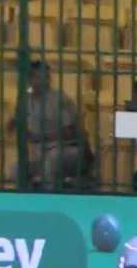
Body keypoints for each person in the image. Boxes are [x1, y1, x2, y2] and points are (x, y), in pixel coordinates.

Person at [8, 61, 90, 190]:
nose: (41, 81)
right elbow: (16, 128)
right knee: (16, 170)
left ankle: (50, 199)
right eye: (37, 77)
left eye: (45, 77)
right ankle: (28, 200)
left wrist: (40, 137)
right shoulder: (26, 102)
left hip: (69, 151)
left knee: (51, 161)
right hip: (42, 154)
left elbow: (70, 131)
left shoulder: (58, 99)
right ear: (29, 79)